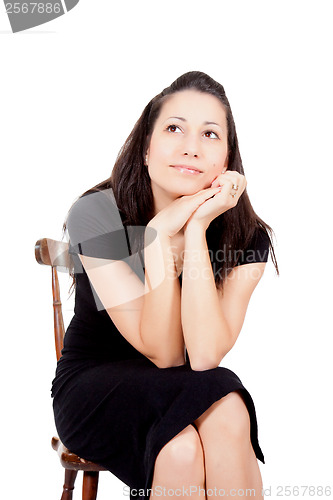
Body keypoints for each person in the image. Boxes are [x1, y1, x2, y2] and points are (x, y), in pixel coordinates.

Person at [51, 70, 279, 500]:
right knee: (216, 411)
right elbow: (167, 351)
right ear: (145, 149)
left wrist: (194, 229)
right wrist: (159, 238)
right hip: (94, 387)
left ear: (227, 160)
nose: (191, 147)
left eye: (210, 134)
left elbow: (205, 355)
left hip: (184, 384)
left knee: (193, 439)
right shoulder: (96, 214)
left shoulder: (246, 236)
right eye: (174, 128)